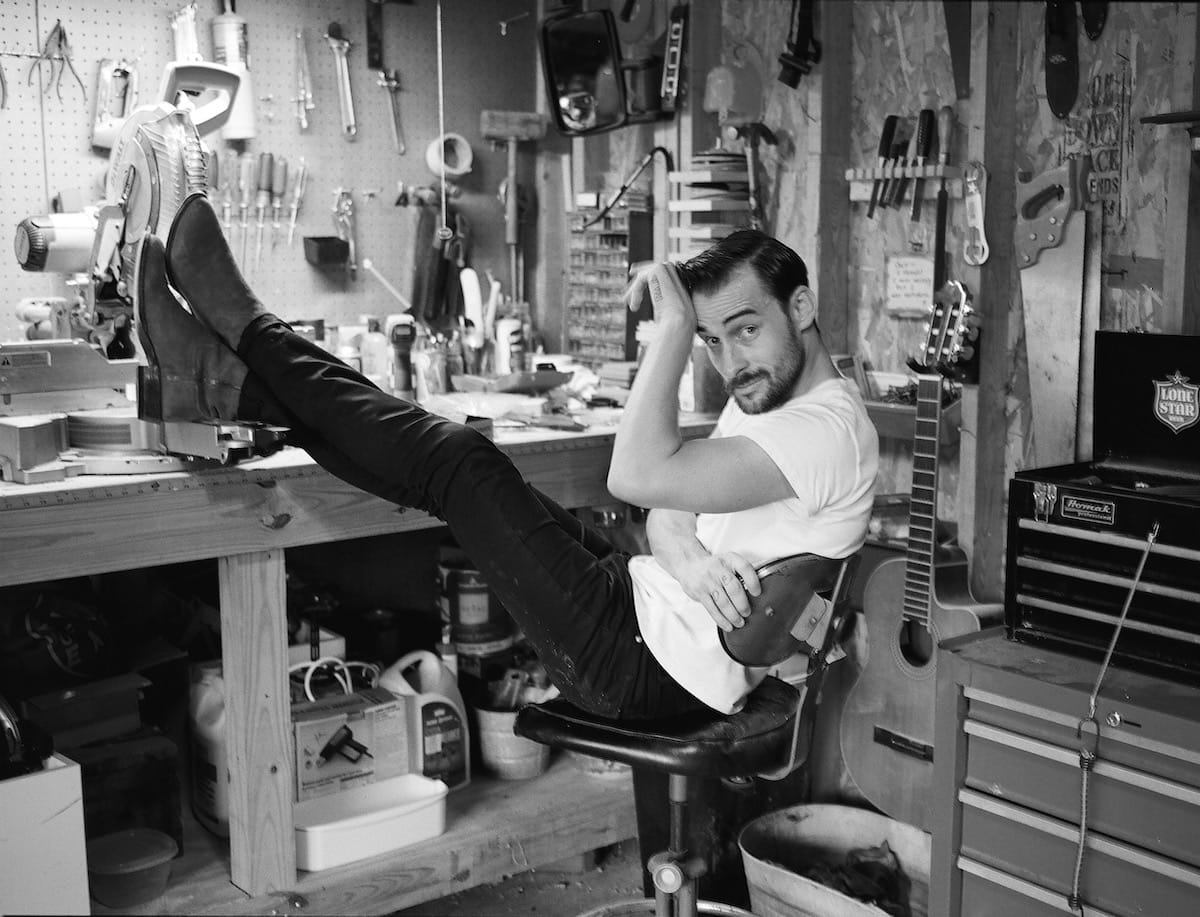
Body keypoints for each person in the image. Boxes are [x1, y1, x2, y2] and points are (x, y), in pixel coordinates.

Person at [140, 192, 878, 720]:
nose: (729, 362)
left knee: (461, 461)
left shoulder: (822, 432)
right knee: (449, 473)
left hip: (647, 665)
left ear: (803, 308)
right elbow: (664, 509)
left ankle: (245, 337)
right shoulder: (781, 407)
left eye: (743, 331)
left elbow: (635, 477)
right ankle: (229, 383)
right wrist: (691, 562)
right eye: (713, 339)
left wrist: (675, 327)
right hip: (646, 608)